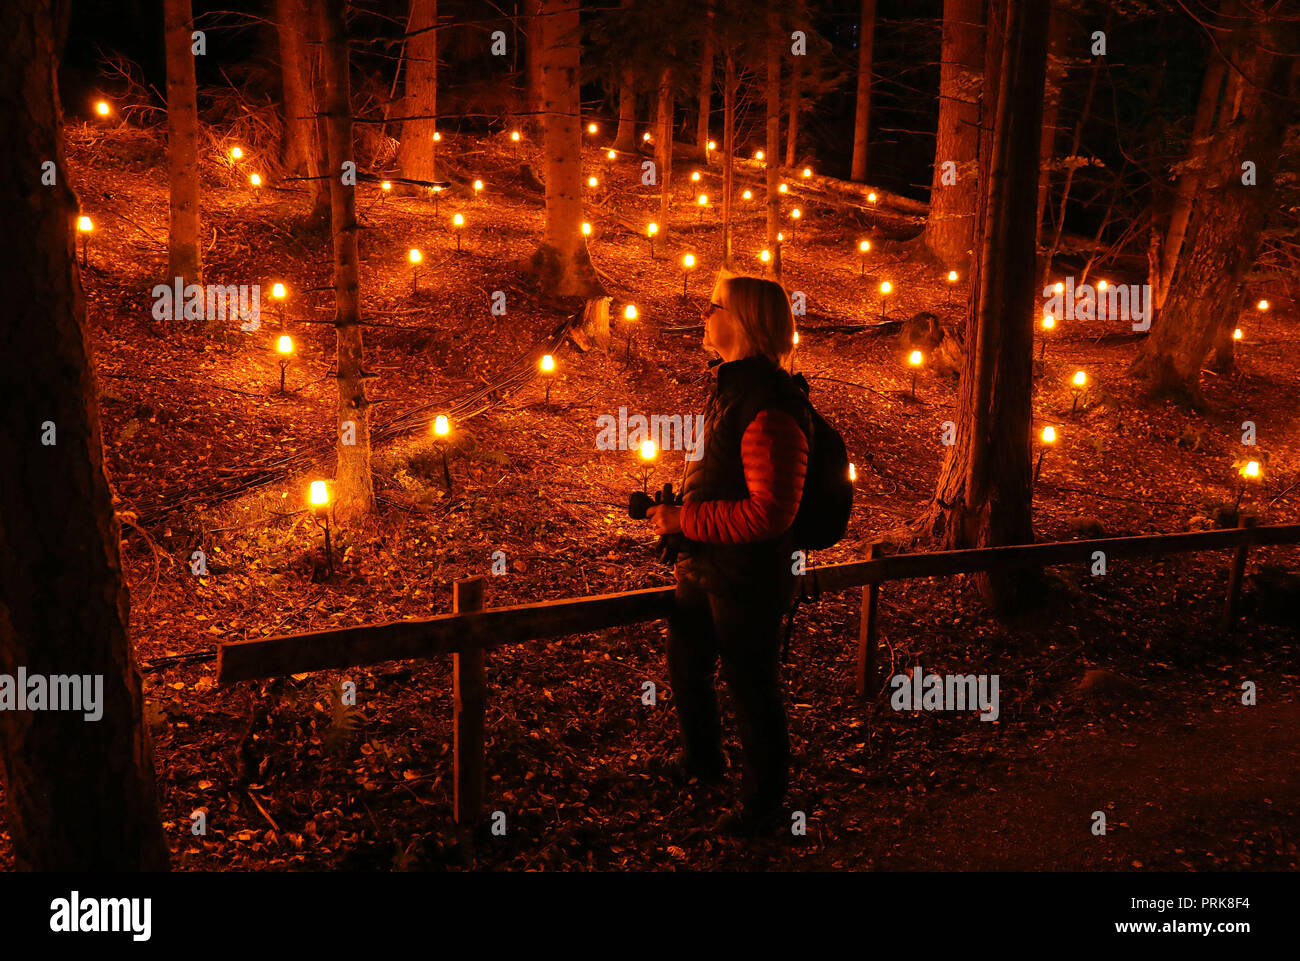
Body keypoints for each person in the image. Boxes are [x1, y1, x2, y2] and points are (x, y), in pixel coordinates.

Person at [646, 273, 811, 837]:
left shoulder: (771, 407)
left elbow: (770, 513)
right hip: (705, 565)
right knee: (688, 667)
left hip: (747, 578)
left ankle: (764, 807)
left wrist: (684, 519)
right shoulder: (731, 392)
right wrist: (681, 512)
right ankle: (703, 761)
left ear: (741, 321)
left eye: (713, 306)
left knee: (750, 688)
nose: (704, 315)